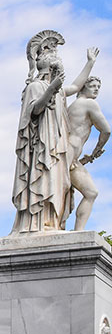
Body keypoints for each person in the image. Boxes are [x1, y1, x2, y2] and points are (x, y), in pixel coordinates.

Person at [11, 29, 99, 234]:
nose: (61, 75)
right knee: (43, 181)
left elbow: (77, 86)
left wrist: (90, 62)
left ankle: (53, 223)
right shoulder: (36, 86)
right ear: (50, 69)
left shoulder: (59, 90)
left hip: (56, 146)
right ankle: (37, 224)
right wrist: (51, 88)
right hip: (41, 147)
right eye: (58, 70)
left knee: (59, 185)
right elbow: (34, 110)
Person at [66, 76, 110, 231]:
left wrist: (89, 157)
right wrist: (97, 149)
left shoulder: (72, 105)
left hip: (71, 156)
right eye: (93, 85)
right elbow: (106, 130)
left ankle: (78, 233)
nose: (97, 88)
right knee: (84, 193)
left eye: (99, 86)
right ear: (83, 86)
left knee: (91, 192)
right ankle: (76, 231)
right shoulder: (89, 103)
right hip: (69, 154)